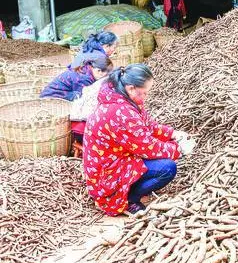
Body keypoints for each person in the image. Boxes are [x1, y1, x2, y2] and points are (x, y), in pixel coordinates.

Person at [82, 64, 195, 215]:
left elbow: (149, 127)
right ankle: (128, 199)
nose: (146, 97)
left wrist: (173, 134)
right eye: (144, 93)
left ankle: (131, 189)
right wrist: (178, 149)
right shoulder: (120, 111)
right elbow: (147, 147)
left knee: (163, 159)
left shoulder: (125, 99)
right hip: (106, 176)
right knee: (167, 168)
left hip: (117, 159)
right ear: (131, 88)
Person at [40, 56, 113, 101]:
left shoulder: (86, 68)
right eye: (106, 75)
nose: (105, 77)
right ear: (99, 71)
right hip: (52, 97)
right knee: (82, 95)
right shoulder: (84, 78)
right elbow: (84, 97)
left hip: (58, 92)